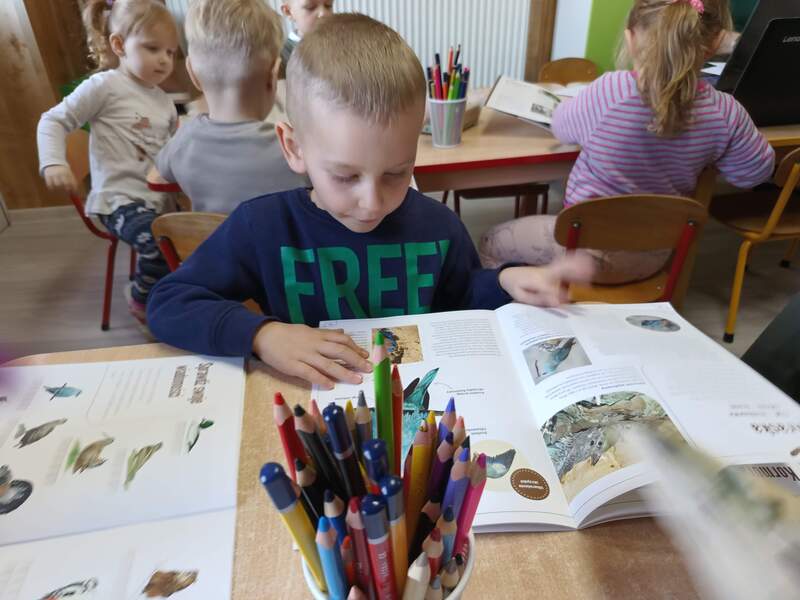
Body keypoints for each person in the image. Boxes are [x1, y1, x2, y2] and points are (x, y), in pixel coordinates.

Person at [147, 14, 593, 388]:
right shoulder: (262, 226)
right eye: (345, 176)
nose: (372, 203)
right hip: (320, 403)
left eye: (397, 173)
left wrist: (506, 281)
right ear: (294, 148)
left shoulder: (439, 226)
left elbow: (461, 296)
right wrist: (263, 335)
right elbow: (168, 303)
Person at [479, 0, 775, 285]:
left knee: (490, 241)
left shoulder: (610, 92)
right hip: (656, 257)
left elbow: (561, 127)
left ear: (631, 39)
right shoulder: (726, 111)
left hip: (583, 255)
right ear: (714, 44)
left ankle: (521, 308)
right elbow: (755, 173)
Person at [37, 0, 179, 326]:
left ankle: (175, 292)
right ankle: (141, 300)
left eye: (170, 52)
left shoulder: (164, 101)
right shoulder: (105, 86)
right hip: (118, 201)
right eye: (152, 48)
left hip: (158, 201)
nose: (164, 59)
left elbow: (171, 151)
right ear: (119, 44)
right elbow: (52, 121)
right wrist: (53, 162)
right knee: (160, 245)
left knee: (199, 234)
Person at [148, 0, 307, 213]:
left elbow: (157, 176)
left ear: (192, 73)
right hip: (276, 236)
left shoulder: (184, 141)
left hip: (212, 235)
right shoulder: (292, 151)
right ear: (273, 75)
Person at [278, 0, 334, 78]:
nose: (323, 13)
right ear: (288, 12)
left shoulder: (338, 42)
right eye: (310, 7)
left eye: (328, 6)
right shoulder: (283, 55)